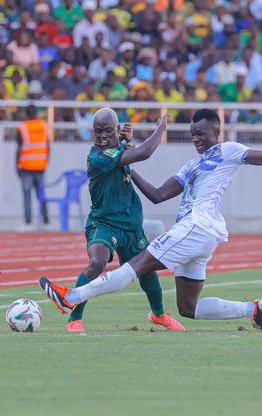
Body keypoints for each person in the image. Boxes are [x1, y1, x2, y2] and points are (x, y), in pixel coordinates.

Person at [39, 109, 262, 332]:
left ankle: (71, 298)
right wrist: (124, 166)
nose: (196, 138)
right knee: (189, 307)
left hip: (197, 227)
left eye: (200, 133)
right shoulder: (191, 165)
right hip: (200, 235)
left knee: (137, 264)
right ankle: (253, 309)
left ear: (216, 131)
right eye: (191, 134)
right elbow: (158, 195)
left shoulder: (229, 150)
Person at [54, 107, 184, 333]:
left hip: (131, 226)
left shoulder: (117, 148)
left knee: (146, 271)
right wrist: (161, 128)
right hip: (103, 223)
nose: (102, 136)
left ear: (115, 129)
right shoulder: (97, 157)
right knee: (97, 262)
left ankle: (160, 314)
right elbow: (143, 153)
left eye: (107, 131)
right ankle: (74, 318)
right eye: (98, 132)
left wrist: (123, 140)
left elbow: (122, 151)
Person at [16, 104, 50, 231]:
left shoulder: (23, 127)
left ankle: (28, 222)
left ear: (25, 113)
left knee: (27, 195)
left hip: (26, 167)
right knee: (41, 195)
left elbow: (19, 148)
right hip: (41, 166)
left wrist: (16, 165)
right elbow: (48, 146)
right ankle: (46, 221)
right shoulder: (44, 126)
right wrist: (45, 162)